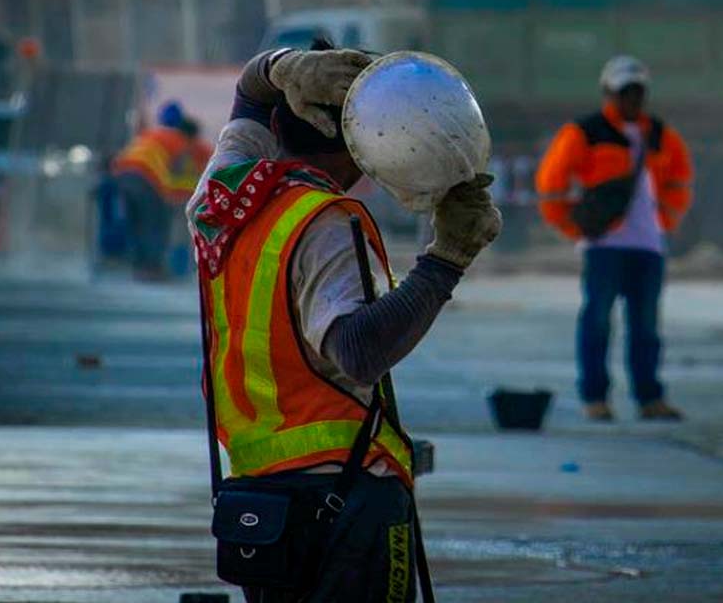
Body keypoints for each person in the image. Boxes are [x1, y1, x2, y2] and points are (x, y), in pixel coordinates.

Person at [187, 47, 500, 602]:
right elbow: (357, 351)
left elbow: (250, 95)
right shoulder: (327, 220)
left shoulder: (220, 200)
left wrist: (281, 66)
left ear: (280, 122)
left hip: (259, 500)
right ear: (365, 145)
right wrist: (446, 259)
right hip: (345, 500)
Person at [535, 55, 693, 422]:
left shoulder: (660, 135)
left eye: (638, 92)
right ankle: (595, 398)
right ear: (608, 93)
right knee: (597, 322)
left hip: (648, 248)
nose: (632, 100)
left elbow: (680, 181)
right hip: (605, 248)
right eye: (625, 92)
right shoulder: (585, 132)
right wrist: (575, 228)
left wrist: (664, 221)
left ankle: (649, 397)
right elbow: (550, 184)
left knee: (646, 328)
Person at [112, 101, 200, 278]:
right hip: (146, 178)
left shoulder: (150, 134)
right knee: (154, 223)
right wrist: (191, 191)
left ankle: (138, 267)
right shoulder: (179, 140)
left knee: (136, 222)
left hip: (121, 175)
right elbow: (180, 173)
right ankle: (151, 269)